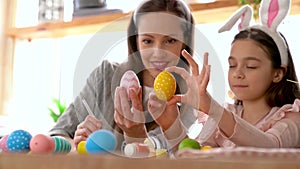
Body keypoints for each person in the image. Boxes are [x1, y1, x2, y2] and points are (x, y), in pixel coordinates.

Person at [49, 0, 196, 154]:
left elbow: (164, 153)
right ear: (136, 40)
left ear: (185, 42)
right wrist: (77, 146)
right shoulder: (105, 76)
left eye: (170, 41)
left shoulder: (190, 99)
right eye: (147, 41)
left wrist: (136, 135)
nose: (158, 52)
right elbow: (56, 135)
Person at [167, 0, 300, 148]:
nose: (237, 73)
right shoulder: (226, 116)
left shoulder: (292, 117)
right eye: (232, 65)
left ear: (278, 74)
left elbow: (269, 147)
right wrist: (169, 123)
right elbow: (194, 157)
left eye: (251, 66)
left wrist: (214, 109)